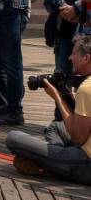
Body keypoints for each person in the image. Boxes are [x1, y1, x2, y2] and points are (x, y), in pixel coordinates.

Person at [6, 34, 91, 185]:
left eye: (74, 53)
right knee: (57, 127)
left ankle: (52, 166)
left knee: (13, 137)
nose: (70, 58)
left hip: (85, 163)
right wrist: (74, 99)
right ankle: (54, 164)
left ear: (86, 58)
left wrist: (58, 98)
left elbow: (79, 138)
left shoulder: (86, 88)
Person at [45, 0, 81, 75]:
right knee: (62, 78)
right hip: (65, 33)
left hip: (87, 34)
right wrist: (60, 5)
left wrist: (77, 9)